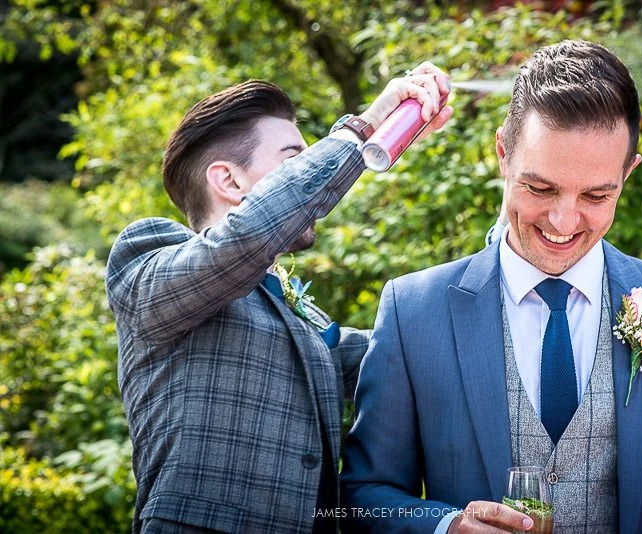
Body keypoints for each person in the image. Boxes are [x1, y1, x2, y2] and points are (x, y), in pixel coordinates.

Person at [340, 40, 642, 533]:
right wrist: (444, 526)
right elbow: (360, 500)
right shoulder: (412, 311)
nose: (563, 222)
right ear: (503, 153)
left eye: (595, 195)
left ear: (627, 175)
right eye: (540, 188)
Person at [105, 63, 452, 533]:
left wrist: (507, 254)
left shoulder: (301, 318)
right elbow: (245, 238)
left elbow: (396, 353)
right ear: (229, 181)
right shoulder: (146, 254)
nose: (310, 180)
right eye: (294, 161)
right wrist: (364, 127)